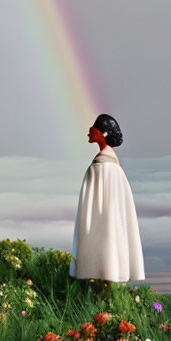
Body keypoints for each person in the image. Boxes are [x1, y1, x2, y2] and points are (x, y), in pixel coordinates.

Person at [69, 114, 145, 283]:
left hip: (101, 223)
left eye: (93, 128)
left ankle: (103, 272)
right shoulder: (112, 169)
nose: (89, 132)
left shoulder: (103, 167)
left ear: (103, 133)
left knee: (107, 232)